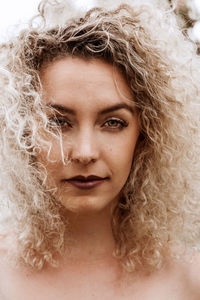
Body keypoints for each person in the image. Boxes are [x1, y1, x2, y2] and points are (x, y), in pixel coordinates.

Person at [0, 0, 199, 299]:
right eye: (58, 122)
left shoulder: (188, 280)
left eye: (113, 123)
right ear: (24, 132)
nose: (84, 152)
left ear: (147, 135)